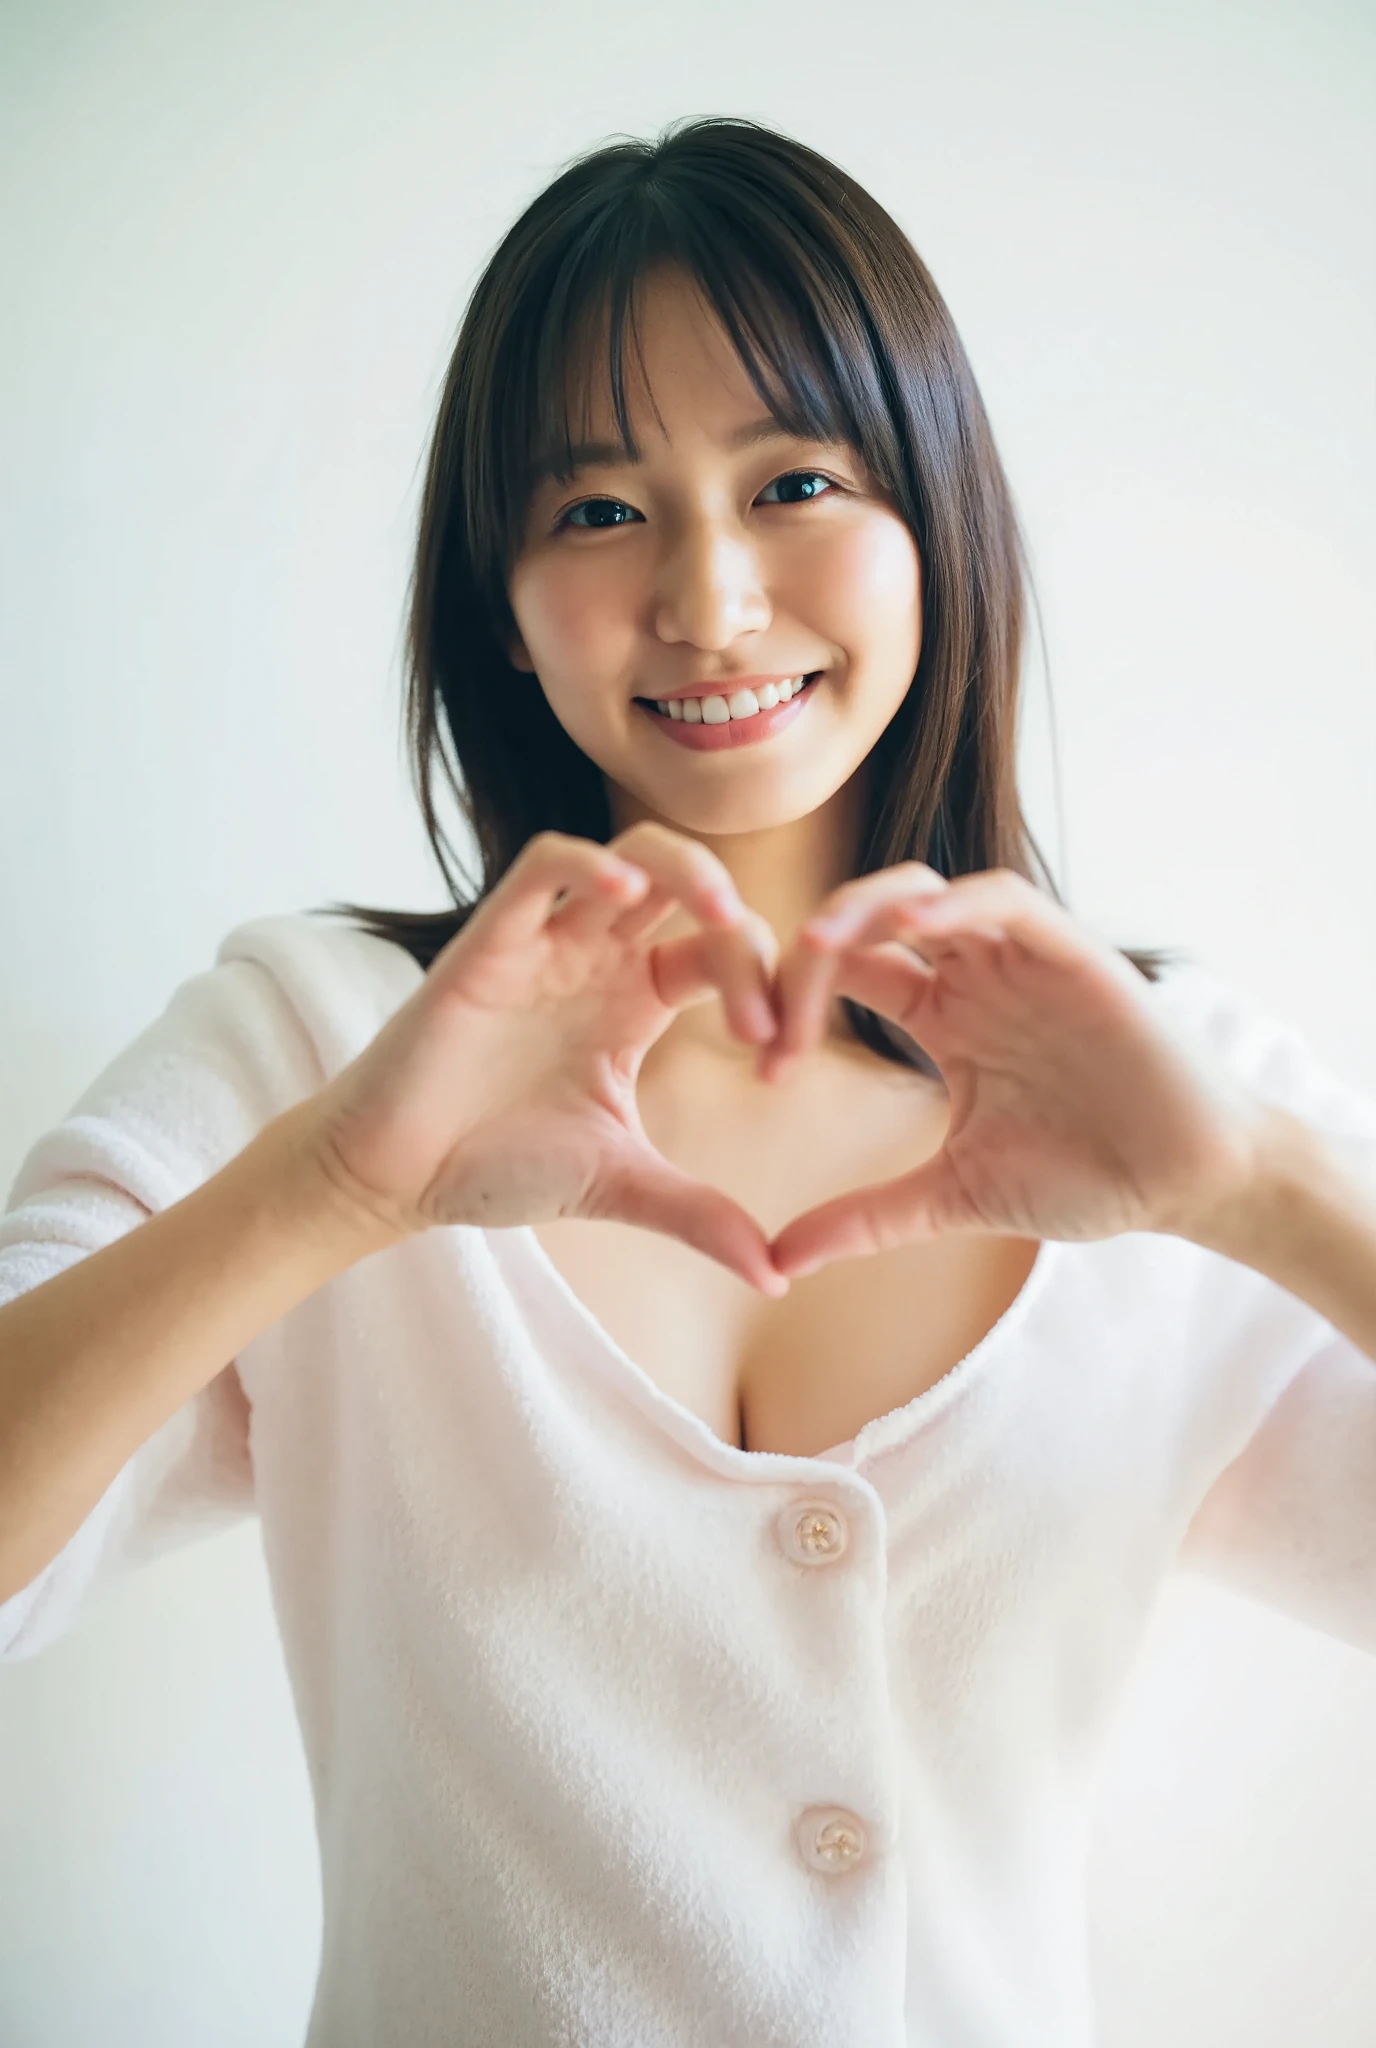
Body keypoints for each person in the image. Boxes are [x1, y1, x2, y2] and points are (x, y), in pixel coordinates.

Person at [2, 116, 1374, 2048]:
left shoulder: (1173, 1091)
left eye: (797, 479)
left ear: (938, 523)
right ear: (499, 602)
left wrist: (1265, 1197)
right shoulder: (326, 1042)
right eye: (596, 511)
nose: (712, 603)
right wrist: (337, 1192)